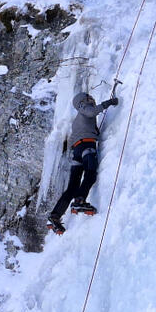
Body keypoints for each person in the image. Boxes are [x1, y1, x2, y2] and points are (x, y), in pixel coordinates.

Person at [47, 87, 120, 234]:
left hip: (77, 152)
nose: (92, 100)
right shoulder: (83, 108)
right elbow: (92, 112)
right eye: (89, 98)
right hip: (87, 145)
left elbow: (78, 135)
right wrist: (109, 103)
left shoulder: (77, 121)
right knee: (90, 174)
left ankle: (55, 216)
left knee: (72, 187)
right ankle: (79, 202)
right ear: (83, 101)